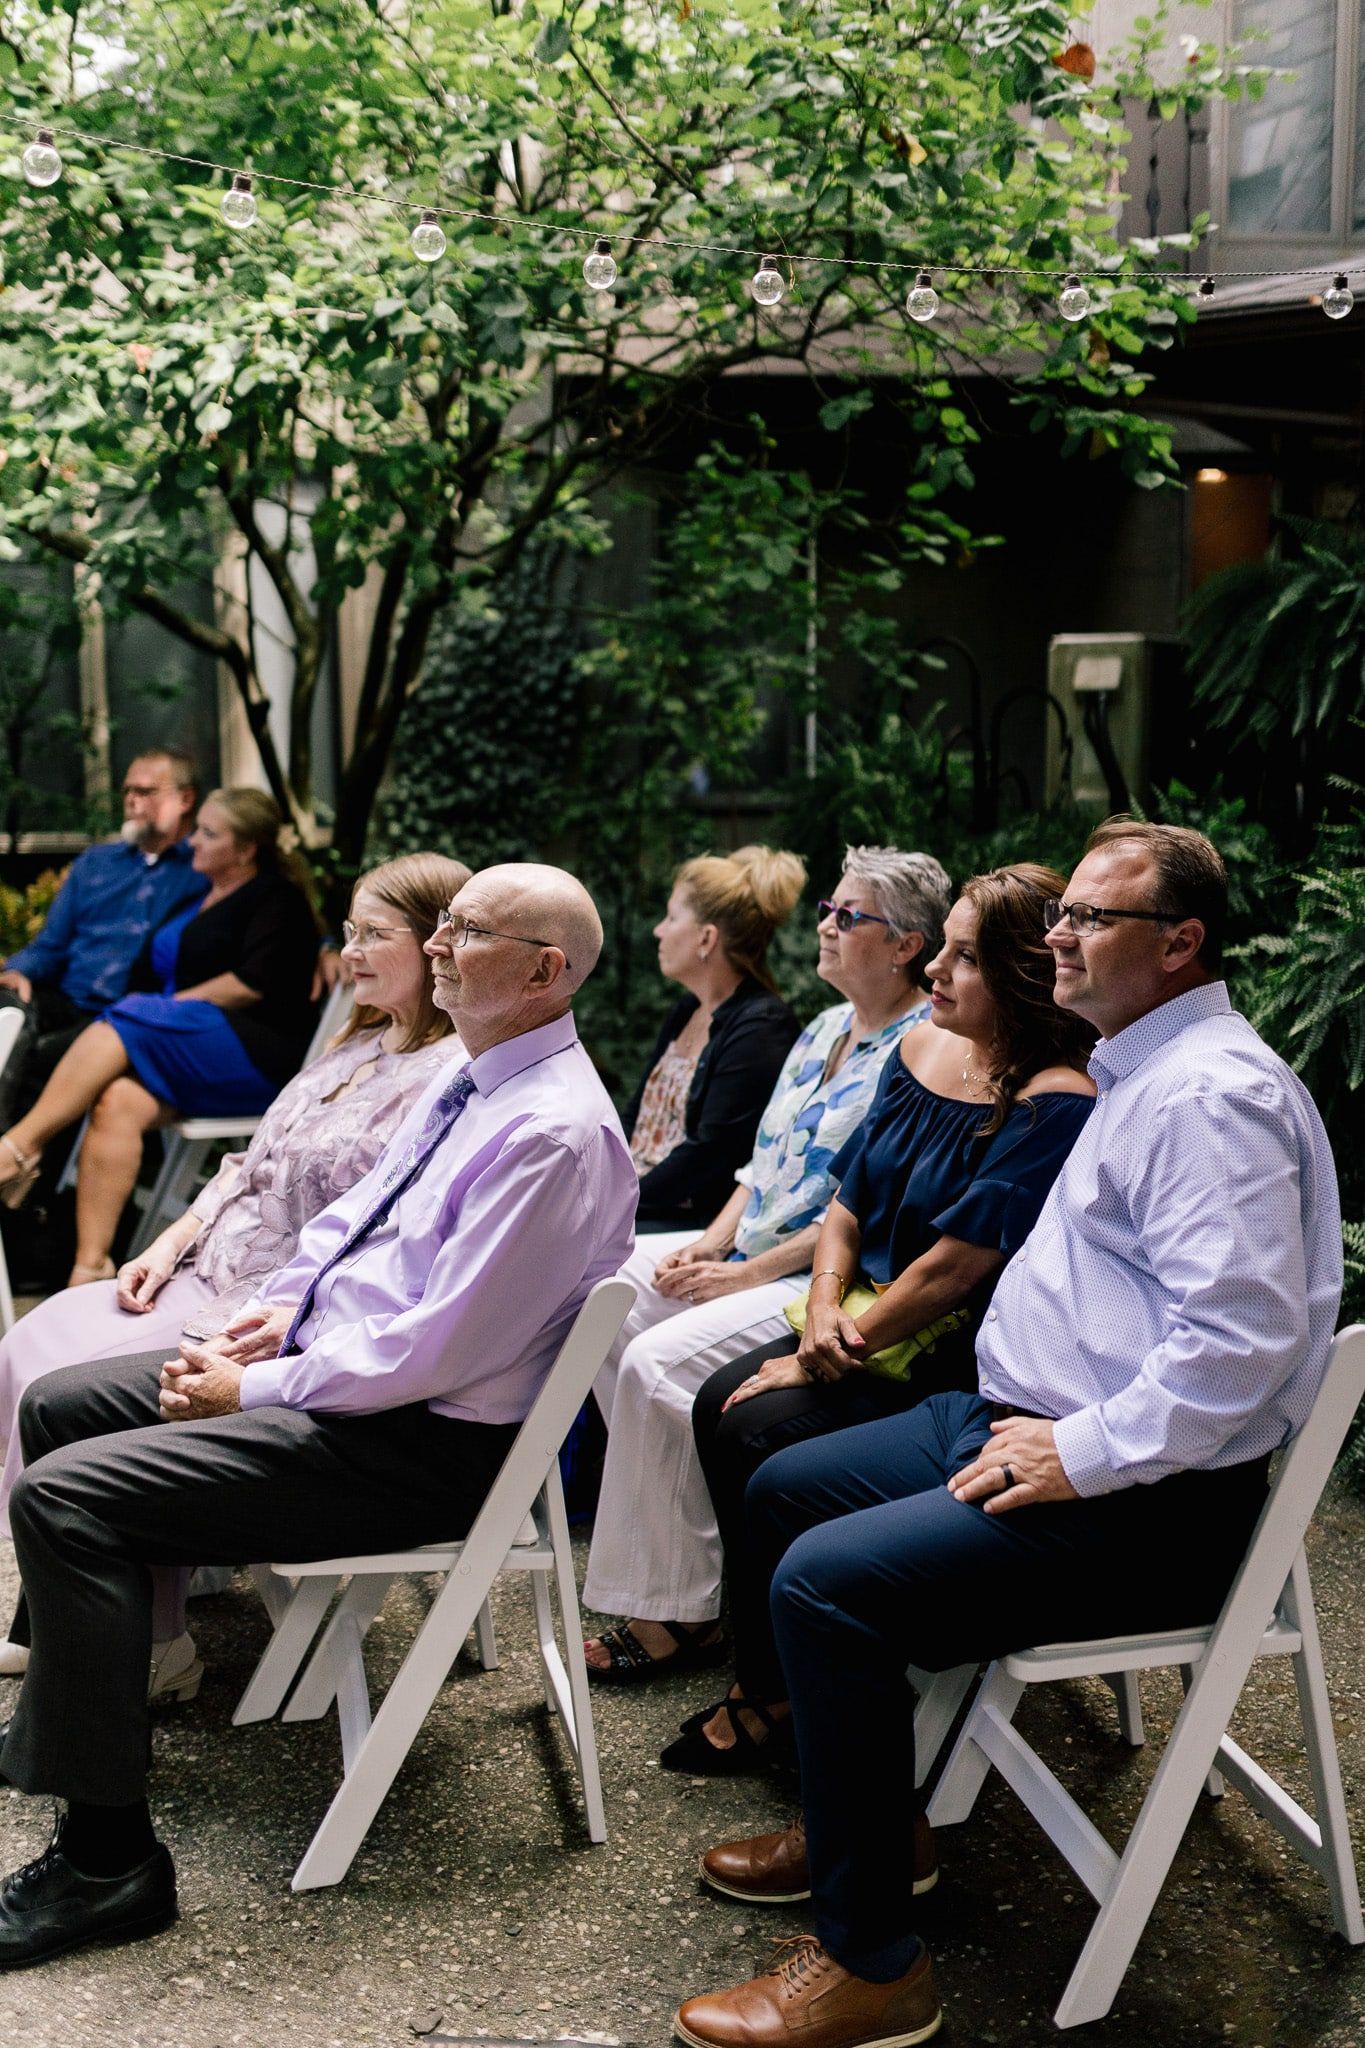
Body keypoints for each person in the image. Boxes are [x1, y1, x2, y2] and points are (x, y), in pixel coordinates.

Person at [674, 821, 1342, 2048]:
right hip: (1008, 1423)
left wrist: (1076, 1451)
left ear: (1182, 943)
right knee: (778, 1483)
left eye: (1092, 919)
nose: (1061, 938)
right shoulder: (1138, 1067)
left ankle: (874, 1966)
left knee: (827, 1587)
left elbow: (1238, 1342)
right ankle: (873, 1823)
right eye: (1062, 915)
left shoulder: (1213, 1097)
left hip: (1138, 1495)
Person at [0, 861, 636, 1968]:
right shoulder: (476, 1075)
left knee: (65, 1502)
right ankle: (80, 1710)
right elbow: (355, 1218)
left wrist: (255, 1384)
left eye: (468, 931)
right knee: (61, 1404)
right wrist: (274, 1315)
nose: (439, 944)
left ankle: (110, 1861)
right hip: (347, 1382)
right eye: (440, 924)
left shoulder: (551, 1131)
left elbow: (438, 1351)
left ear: (545, 973)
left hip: (417, 1444)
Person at [0, 851, 471, 1686]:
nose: (351, 952)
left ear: (437, 944)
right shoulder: (352, 1039)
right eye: (350, 930)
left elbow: (387, 1235)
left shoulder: (448, 1076)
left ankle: (151, 1640)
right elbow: (244, 1166)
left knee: (77, 1374)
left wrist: (263, 1317)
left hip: (274, 1304)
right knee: (32, 1342)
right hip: (205, 1265)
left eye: (374, 934)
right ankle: (68, 1613)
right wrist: (164, 1242)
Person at [669, 863, 1097, 1774]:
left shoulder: (1056, 1099)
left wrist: (825, 1353)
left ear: (1023, 976)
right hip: (859, 1322)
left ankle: (786, 1692)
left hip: (950, 1359)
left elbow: (954, 1269)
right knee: (720, 1403)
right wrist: (821, 1309)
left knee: (751, 1426)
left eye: (964, 957)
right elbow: (848, 1203)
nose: (934, 972)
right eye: (938, 947)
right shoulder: (922, 1052)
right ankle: (776, 1677)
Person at [583, 847, 953, 1684]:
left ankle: (676, 1609)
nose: (823, 925)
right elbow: (759, 1167)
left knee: (652, 1361)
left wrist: (745, 1274)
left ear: (904, 945)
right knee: (597, 1294)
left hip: (807, 1276)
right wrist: (713, 1241)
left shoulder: (920, 1047)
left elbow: (855, 1208)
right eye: (828, 907)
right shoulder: (822, 1027)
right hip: (750, 1249)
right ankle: (687, 1556)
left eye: (848, 916)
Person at [0, 789, 320, 1286]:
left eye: (209, 834)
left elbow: (249, 984)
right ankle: (90, 1266)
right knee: (117, 1100)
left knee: (131, 1014)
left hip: (253, 1056)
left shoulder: (273, 897)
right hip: (187, 1046)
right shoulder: (196, 893)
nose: (192, 841)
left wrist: (168, 1007)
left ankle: (18, 1149)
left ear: (246, 848)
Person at [625, 845, 806, 1230]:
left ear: (706, 938)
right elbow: (635, 1116)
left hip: (685, 1223)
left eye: (672, 917)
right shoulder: (686, 1011)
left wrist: (618, 1204)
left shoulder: (762, 1027)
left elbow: (711, 1156)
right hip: (637, 1203)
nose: (658, 930)